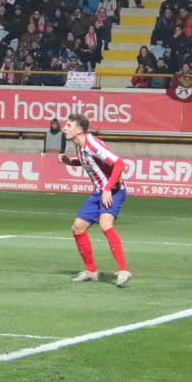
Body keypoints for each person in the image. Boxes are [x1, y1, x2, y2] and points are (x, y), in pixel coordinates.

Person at [58, 113, 131, 287]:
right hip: (99, 192)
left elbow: (119, 163)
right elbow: (89, 162)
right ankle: (91, 271)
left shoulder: (91, 143)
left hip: (113, 191)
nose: (64, 128)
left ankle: (123, 270)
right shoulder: (81, 145)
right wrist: (70, 162)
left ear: (79, 129)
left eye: (68, 125)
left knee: (106, 225)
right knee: (77, 228)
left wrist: (107, 189)